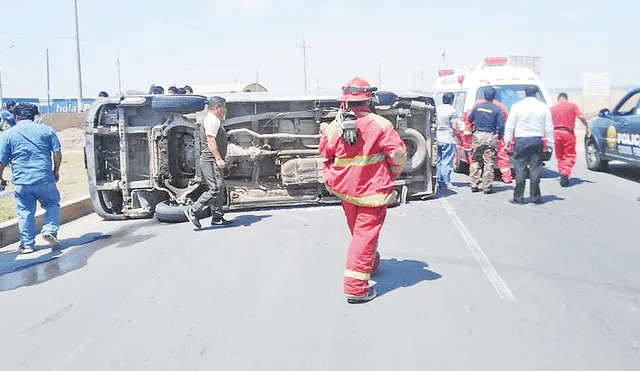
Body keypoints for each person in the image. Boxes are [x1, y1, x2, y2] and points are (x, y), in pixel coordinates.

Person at [319, 77, 408, 304]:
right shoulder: (381, 124)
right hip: (372, 190)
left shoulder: (335, 126)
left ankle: (369, 262)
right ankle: (356, 289)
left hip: (346, 190)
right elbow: (398, 155)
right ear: (368, 98)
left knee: (358, 231)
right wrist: (393, 174)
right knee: (364, 235)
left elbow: (325, 152)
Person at [0, 103, 62, 254]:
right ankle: (49, 230)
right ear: (34, 116)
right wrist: (56, 170)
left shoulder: (8, 134)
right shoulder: (47, 130)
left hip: (22, 181)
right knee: (52, 203)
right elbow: (57, 152)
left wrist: (0, 178)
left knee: (25, 211)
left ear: (16, 117)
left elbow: (1, 161)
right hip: (44, 177)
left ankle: (27, 244)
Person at [184, 96, 232, 228]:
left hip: (212, 160)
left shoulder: (213, 119)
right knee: (215, 189)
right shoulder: (213, 120)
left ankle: (217, 217)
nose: (224, 110)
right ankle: (192, 210)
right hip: (210, 160)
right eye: (223, 107)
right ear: (217, 107)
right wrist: (218, 158)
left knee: (220, 188)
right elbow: (211, 141)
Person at [504, 86, 554, 204]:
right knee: (535, 168)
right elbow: (548, 126)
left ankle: (518, 197)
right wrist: (550, 143)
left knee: (520, 168)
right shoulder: (543, 107)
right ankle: (535, 198)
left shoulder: (517, 106)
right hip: (537, 140)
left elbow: (510, 125)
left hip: (521, 140)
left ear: (525, 94)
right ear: (536, 94)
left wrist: (507, 141)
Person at [466, 87, 505, 194]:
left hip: (477, 136)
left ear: (484, 96)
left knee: (476, 160)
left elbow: (469, 119)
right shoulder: (497, 109)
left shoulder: (478, 107)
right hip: (490, 137)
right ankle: (486, 186)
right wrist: (500, 137)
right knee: (489, 162)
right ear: (494, 97)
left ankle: (474, 184)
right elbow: (501, 126)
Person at [550, 93, 589, 187]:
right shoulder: (572, 106)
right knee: (569, 155)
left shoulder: (552, 108)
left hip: (556, 133)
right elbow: (581, 117)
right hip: (568, 133)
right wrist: (587, 125)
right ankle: (565, 172)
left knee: (560, 156)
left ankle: (562, 172)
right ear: (566, 99)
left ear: (558, 99)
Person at [435, 92, 459, 189]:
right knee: (446, 161)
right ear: (452, 100)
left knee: (439, 161)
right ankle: (445, 182)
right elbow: (454, 127)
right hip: (447, 139)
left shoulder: (437, 109)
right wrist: (459, 137)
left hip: (437, 138)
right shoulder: (452, 111)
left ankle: (439, 181)